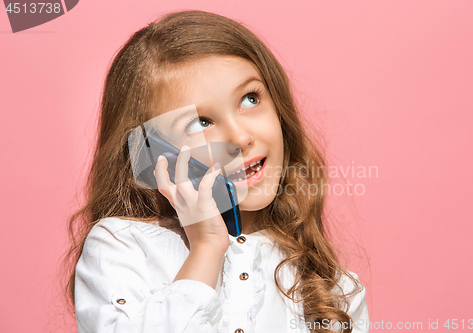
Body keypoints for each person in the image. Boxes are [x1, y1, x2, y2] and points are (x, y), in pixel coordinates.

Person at [64, 9, 369, 333]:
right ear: (151, 154)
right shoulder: (122, 247)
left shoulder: (334, 291)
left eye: (250, 99)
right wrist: (207, 249)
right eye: (201, 122)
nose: (240, 137)